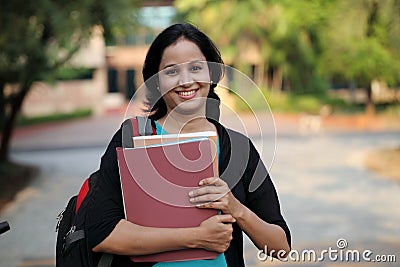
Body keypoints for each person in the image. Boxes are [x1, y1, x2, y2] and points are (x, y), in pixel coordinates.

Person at [87, 23, 291, 267]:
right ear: (155, 81)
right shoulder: (132, 139)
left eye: (196, 68)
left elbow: (281, 248)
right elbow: (102, 234)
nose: (186, 81)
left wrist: (236, 209)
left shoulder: (237, 149)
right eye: (171, 71)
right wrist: (197, 238)